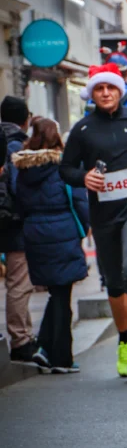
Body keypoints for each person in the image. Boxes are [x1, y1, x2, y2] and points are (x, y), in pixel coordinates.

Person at [60, 63, 127, 377]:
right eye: (99, 88)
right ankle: (123, 340)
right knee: (114, 281)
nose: (106, 93)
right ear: (92, 93)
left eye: (111, 88)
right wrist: (84, 178)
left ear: (119, 91)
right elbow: (65, 169)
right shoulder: (83, 129)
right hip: (103, 214)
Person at [12, 118, 89, 373]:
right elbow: (79, 202)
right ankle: (59, 356)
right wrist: (84, 228)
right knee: (61, 294)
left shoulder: (23, 168)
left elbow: (19, 203)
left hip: (35, 234)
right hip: (63, 232)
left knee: (56, 293)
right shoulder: (64, 166)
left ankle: (48, 349)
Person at [0, 96, 37, 365]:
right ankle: (21, 339)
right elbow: (18, 187)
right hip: (13, 222)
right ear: (25, 118)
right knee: (18, 282)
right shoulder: (17, 144)